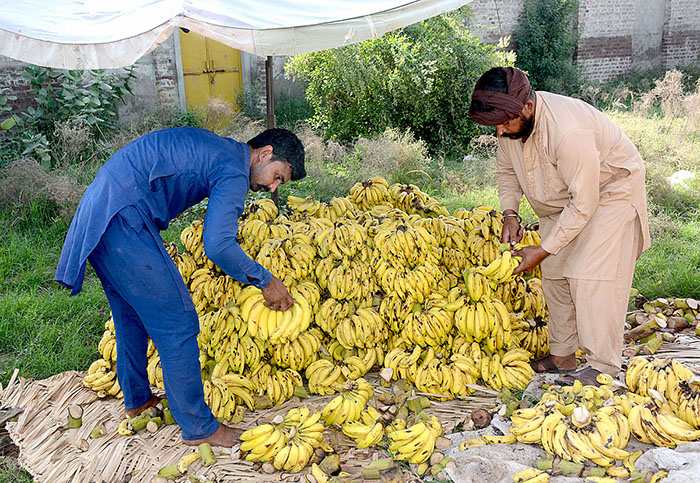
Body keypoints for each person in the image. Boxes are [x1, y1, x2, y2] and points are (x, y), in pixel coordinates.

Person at [55, 127, 305, 446]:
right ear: (265, 153)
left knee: (131, 316)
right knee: (178, 320)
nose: (271, 187)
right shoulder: (233, 169)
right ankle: (199, 426)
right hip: (123, 218)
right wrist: (265, 280)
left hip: (103, 211)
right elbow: (218, 245)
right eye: (278, 177)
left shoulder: (223, 152)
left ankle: (137, 401)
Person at [468, 67, 650, 384]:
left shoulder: (569, 131)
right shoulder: (510, 125)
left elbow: (584, 203)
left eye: (505, 122)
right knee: (554, 274)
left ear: (527, 106)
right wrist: (510, 212)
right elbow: (507, 171)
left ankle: (602, 366)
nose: (499, 131)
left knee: (589, 274)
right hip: (561, 200)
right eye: (494, 124)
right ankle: (562, 355)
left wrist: (544, 248)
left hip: (610, 192)